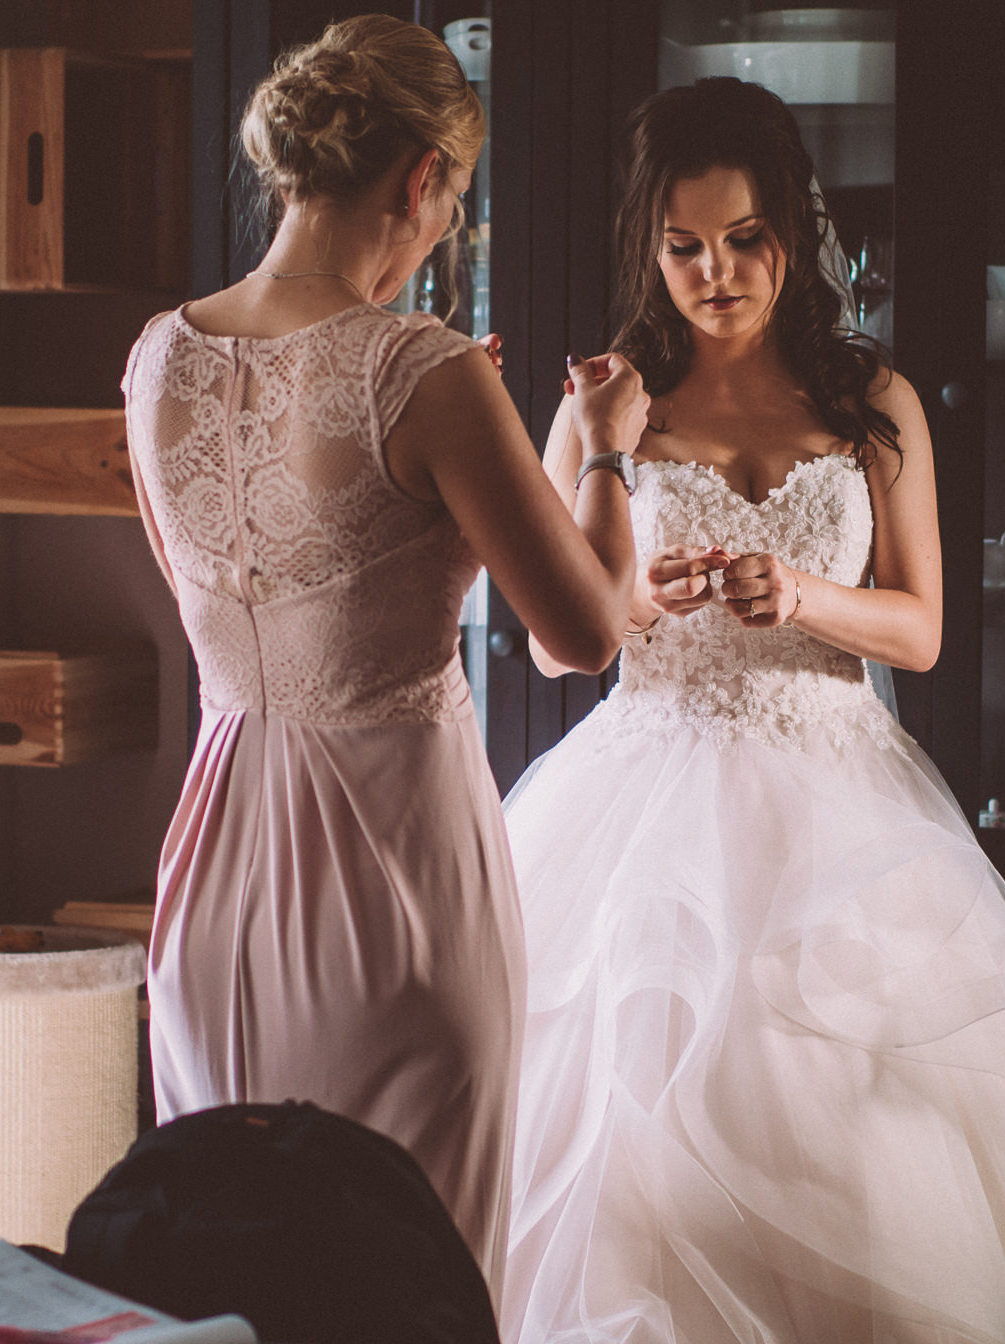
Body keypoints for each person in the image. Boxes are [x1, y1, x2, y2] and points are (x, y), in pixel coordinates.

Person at [501, 77, 1005, 1343]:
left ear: (793, 233)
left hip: (844, 805)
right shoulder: (605, 403)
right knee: (626, 1126)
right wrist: (638, 595)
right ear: (649, 247)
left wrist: (800, 592)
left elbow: (918, 629)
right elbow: (553, 651)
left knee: (857, 1129)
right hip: (642, 803)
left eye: (744, 238)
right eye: (683, 245)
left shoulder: (874, 403)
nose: (714, 273)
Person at [120, 14, 647, 1302]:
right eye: (448, 208)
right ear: (421, 180)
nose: (438, 238)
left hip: (213, 874)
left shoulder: (156, 356)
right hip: (389, 881)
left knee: (227, 1273)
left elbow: (234, 592)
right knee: (409, 1280)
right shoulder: (417, 366)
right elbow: (580, 632)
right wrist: (597, 443)